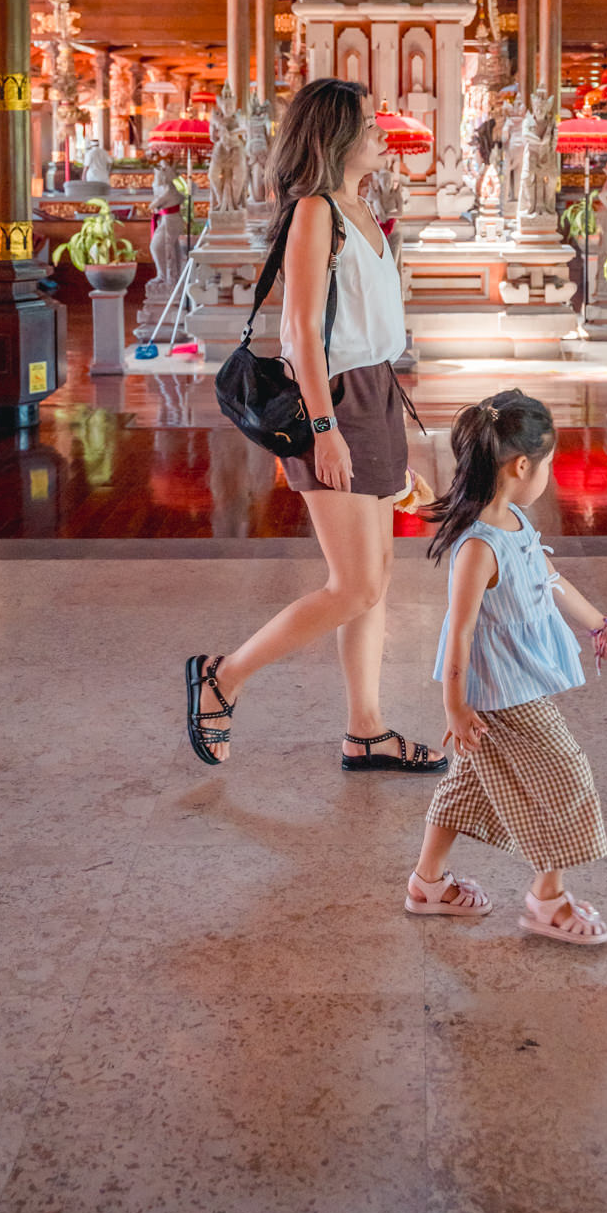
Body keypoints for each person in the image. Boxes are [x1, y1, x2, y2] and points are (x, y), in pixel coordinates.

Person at [184, 78, 446, 775]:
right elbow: (300, 329)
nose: (382, 134)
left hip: (375, 393)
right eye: (368, 125)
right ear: (335, 137)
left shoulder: (363, 209)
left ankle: (367, 731)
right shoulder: (314, 211)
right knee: (353, 584)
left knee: (376, 579)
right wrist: (325, 429)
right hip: (330, 400)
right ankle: (223, 678)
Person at [405, 390, 607, 945]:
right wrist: (455, 708)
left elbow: (548, 579)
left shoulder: (514, 521)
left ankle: (426, 885)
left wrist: (598, 624)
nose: (548, 474)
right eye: (548, 462)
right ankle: (546, 901)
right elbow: (459, 633)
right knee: (565, 777)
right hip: (502, 692)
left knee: (469, 784)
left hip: (514, 679)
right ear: (522, 466)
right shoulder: (478, 547)